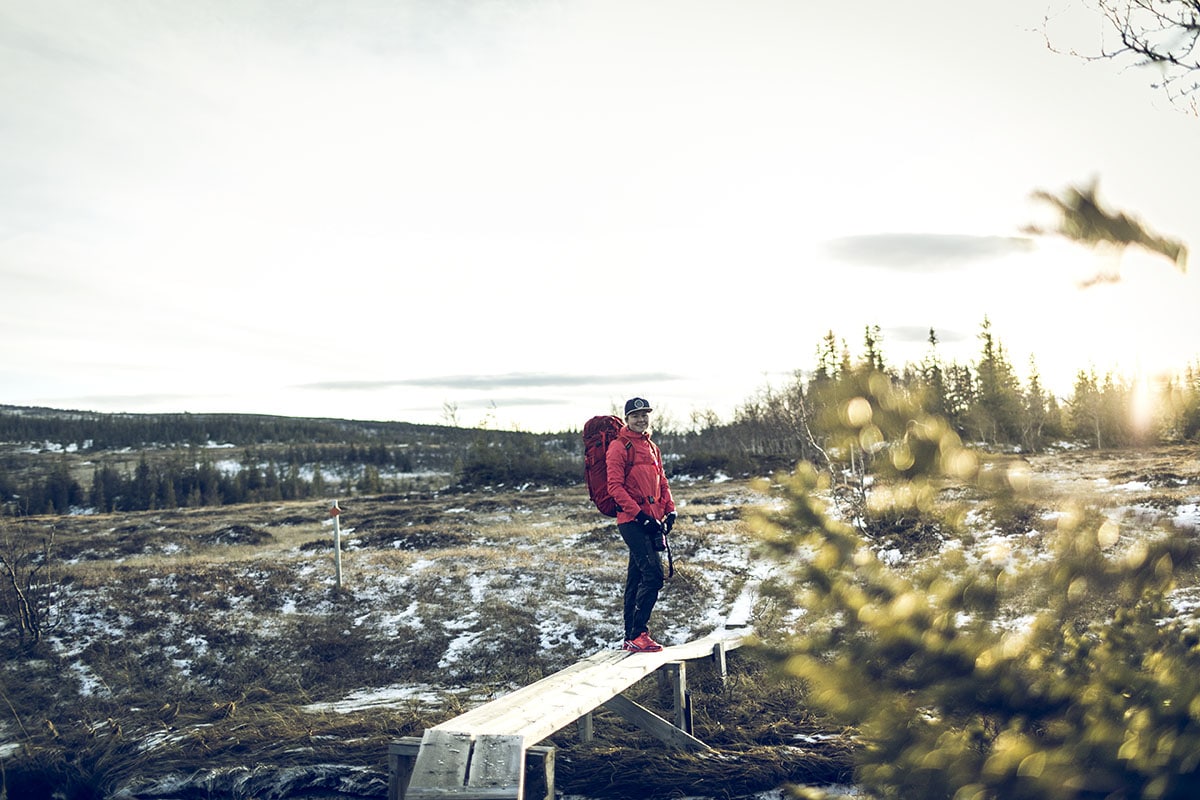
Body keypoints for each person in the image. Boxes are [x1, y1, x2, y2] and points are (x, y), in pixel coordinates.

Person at [606, 397, 677, 653]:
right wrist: (640, 516)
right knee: (654, 576)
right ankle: (638, 633)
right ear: (626, 419)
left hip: (653, 521)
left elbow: (663, 482)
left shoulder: (652, 446)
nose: (641, 419)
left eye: (645, 414)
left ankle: (630, 637)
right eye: (635, 415)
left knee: (636, 579)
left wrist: (670, 510)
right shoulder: (618, 447)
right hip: (632, 522)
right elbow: (615, 487)